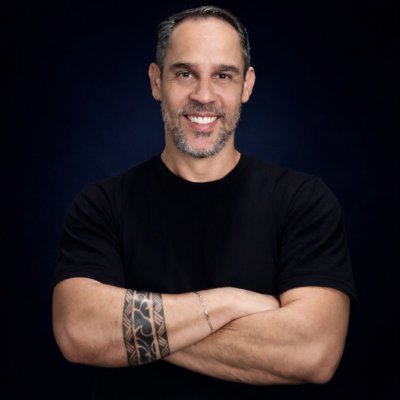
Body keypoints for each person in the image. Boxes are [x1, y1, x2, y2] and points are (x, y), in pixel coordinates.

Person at [52, 5, 356, 399]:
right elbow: (79, 330)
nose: (204, 95)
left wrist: (124, 333)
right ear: (156, 81)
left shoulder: (303, 202)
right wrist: (230, 302)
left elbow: (313, 352)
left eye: (223, 75)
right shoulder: (102, 206)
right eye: (185, 73)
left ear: (247, 85)